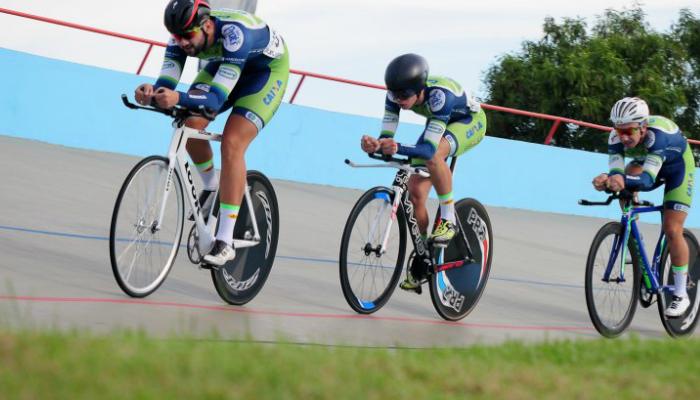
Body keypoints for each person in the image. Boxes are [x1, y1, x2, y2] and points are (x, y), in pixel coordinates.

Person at [134, 0, 289, 266]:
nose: (182, 43)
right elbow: (166, 83)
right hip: (226, 64)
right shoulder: (181, 36)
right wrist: (151, 94)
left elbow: (214, 100)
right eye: (176, 37)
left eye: (187, 36)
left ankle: (225, 240)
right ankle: (211, 186)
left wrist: (178, 96)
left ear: (206, 25)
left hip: (265, 73)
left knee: (232, 143)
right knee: (190, 123)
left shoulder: (235, 34)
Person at [361, 53, 487, 291]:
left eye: (405, 96)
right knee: (416, 190)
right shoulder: (395, 94)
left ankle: (448, 219)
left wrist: (397, 146)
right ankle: (424, 254)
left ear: (419, 90)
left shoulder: (439, 96)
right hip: (440, 123)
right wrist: (376, 144)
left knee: (435, 156)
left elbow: (428, 149)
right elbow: (387, 135)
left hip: (469, 122)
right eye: (395, 95)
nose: (398, 100)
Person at [592, 97, 695, 317]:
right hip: (650, 164)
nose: (624, 137)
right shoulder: (616, 137)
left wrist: (619, 180)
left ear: (643, 127)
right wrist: (607, 180)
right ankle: (633, 237)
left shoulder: (657, 138)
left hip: (678, 168)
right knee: (623, 180)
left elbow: (647, 182)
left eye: (629, 131)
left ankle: (680, 294)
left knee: (672, 229)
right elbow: (618, 173)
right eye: (619, 131)